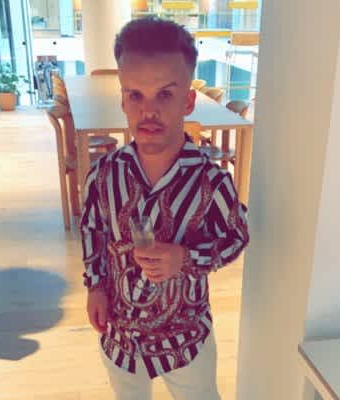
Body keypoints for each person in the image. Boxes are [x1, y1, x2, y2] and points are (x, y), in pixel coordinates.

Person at [80, 17, 249, 400]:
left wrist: (187, 258)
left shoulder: (211, 181)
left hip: (185, 338)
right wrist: (96, 286)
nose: (148, 111)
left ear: (188, 101)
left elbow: (237, 236)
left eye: (165, 95)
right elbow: (93, 229)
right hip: (121, 334)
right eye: (135, 95)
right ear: (123, 99)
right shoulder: (104, 175)